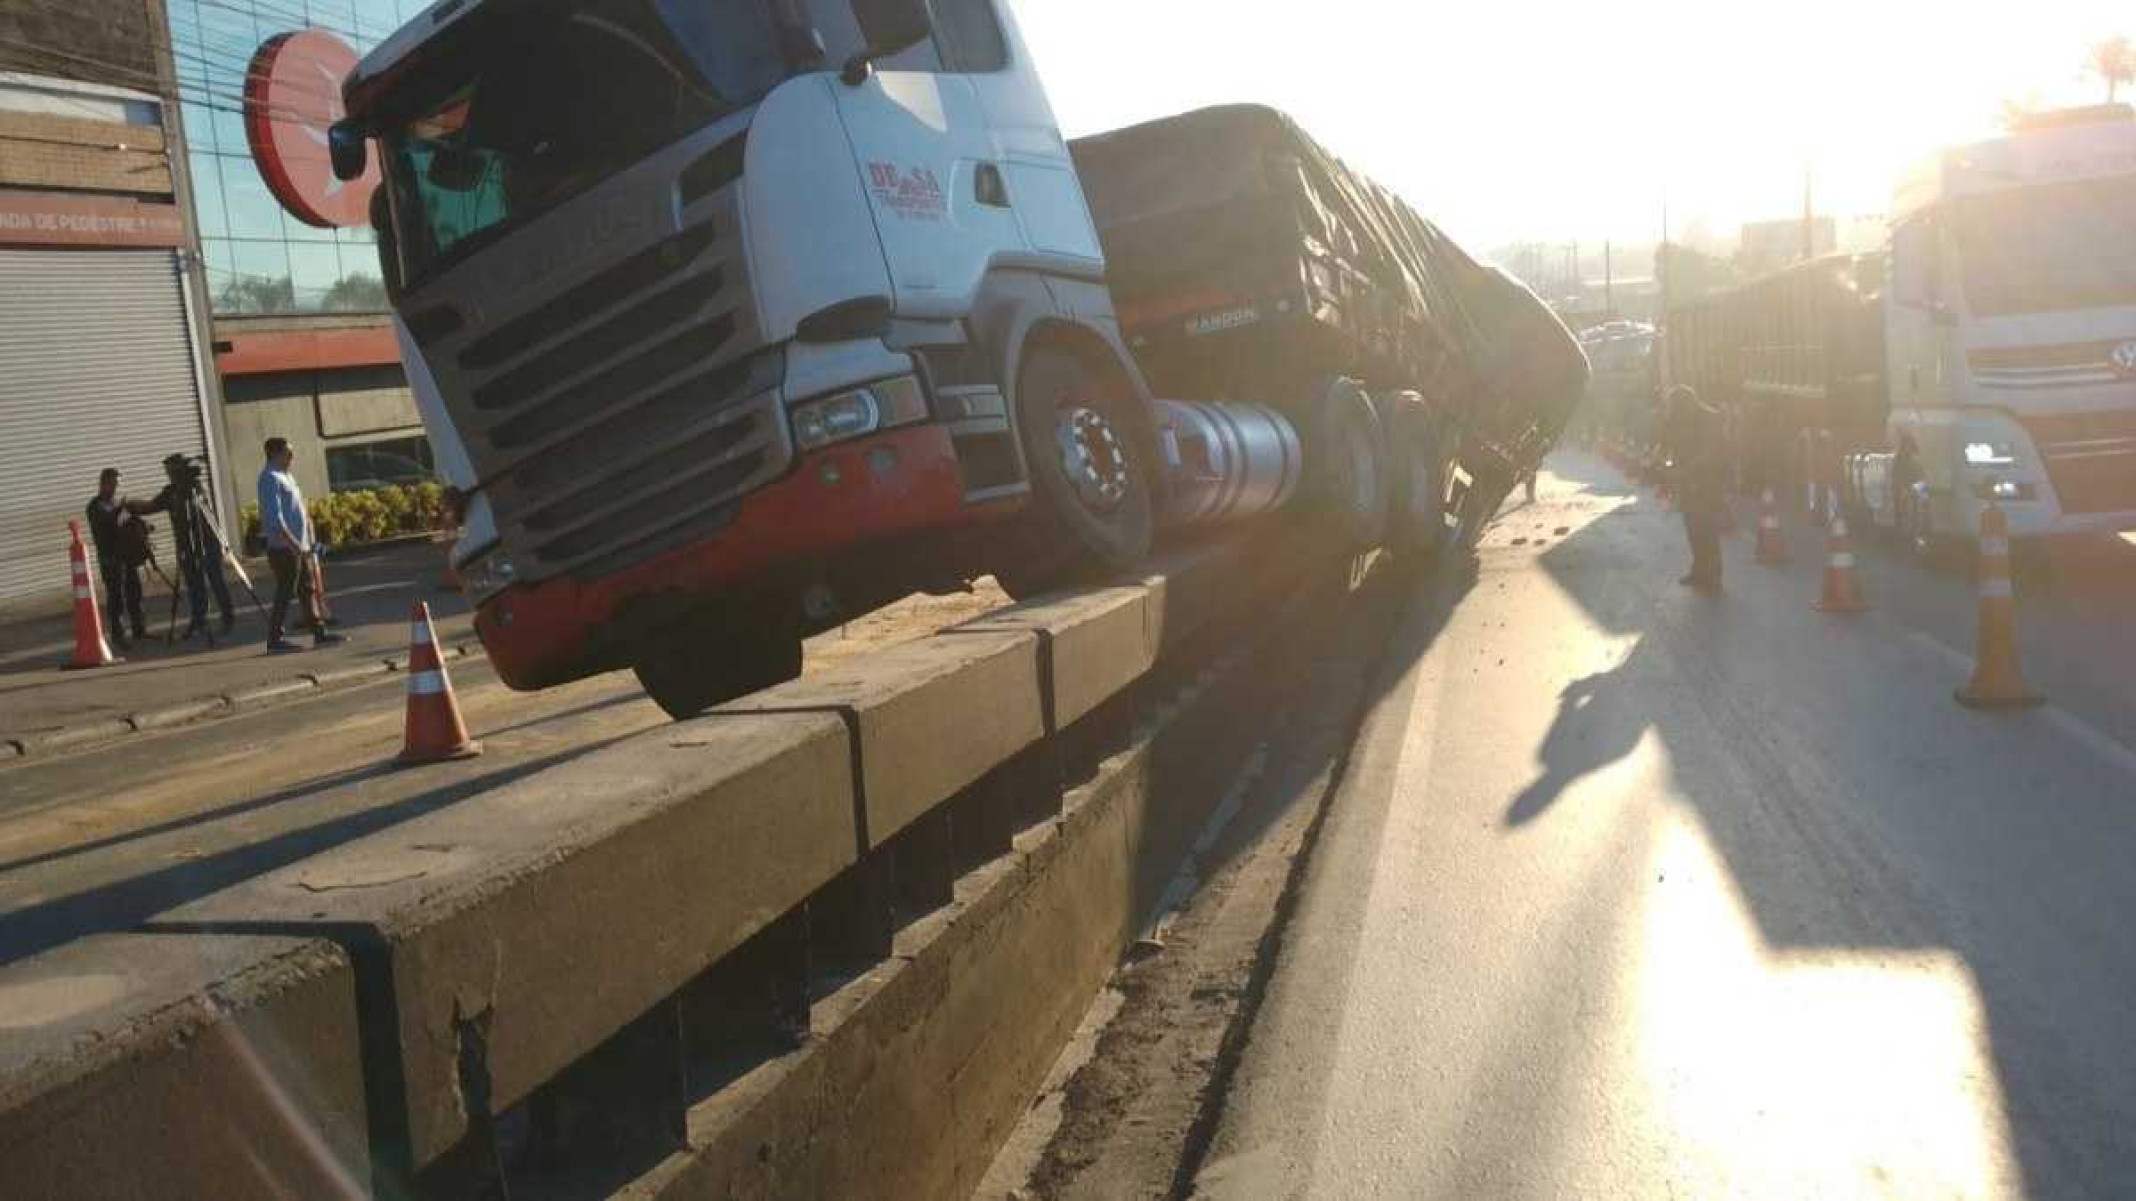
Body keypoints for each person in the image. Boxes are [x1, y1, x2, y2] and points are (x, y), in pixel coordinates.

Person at [257, 438, 345, 653]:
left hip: (300, 546)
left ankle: (319, 632)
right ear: (275, 454)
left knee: (307, 589)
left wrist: (308, 541)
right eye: (288, 453)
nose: (292, 458)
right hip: (284, 548)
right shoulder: (270, 478)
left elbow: (297, 511)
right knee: (286, 591)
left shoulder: (286, 476)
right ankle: (275, 639)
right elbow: (275, 518)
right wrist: (294, 543)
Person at [136, 454, 238, 639]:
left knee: (216, 580)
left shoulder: (196, 489)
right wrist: (130, 505)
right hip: (186, 546)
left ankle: (228, 617)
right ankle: (199, 619)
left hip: (207, 543)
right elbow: (151, 506)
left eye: (173, 471)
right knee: (193, 583)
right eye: (168, 472)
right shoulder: (171, 492)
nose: (170, 475)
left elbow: (201, 514)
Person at [1665, 385, 1726, 593]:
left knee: (1707, 530)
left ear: (1688, 404)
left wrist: (1688, 470)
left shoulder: (1710, 419)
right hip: (1689, 482)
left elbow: (1711, 452)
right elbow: (1673, 446)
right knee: (1692, 528)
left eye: (1677, 408)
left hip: (1708, 482)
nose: (1675, 413)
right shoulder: (1679, 419)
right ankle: (1699, 571)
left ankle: (1713, 576)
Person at [83, 468, 148, 648]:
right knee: (116, 596)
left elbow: (123, 522)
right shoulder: (95, 506)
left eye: (117, 484)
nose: (115, 488)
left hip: (126, 555)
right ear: (104, 483)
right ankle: (119, 635)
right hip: (110, 558)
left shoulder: (113, 504)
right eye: (113, 484)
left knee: (134, 591)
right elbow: (107, 522)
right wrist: (121, 509)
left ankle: (139, 629)